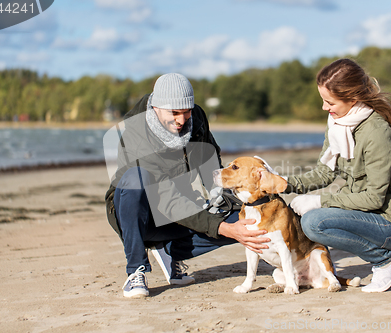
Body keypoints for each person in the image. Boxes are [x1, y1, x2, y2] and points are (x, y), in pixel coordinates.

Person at [105, 73, 269, 298]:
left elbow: (210, 158)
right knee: (135, 178)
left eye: (187, 111)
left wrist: (223, 201)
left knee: (242, 221)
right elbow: (167, 199)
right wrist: (223, 228)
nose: (182, 120)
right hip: (137, 212)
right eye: (174, 113)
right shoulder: (136, 133)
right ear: (156, 107)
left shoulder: (197, 116)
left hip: (180, 204)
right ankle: (136, 270)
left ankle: (168, 250)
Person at [266, 59, 391, 293]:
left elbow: (374, 199)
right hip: (362, 215)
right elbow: (325, 172)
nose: (324, 108)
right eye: (323, 100)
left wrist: (318, 201)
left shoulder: (376, 132)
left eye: (329, 102)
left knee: (314, 222)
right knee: (308, 220)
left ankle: (386, 261)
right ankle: (381, 260)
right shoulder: (337, 124)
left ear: (353, 99)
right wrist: (286, 184)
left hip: (390, 224)